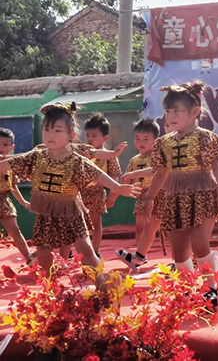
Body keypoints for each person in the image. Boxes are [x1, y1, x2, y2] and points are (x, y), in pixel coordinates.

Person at [0, 104, 138, 282]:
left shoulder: (76, 159)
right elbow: (10, 163)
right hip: (45, 212)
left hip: (71, 211)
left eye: (57, 130)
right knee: (42, 252)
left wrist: (117, 187)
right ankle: (51, 286)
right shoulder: (36, 156)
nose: (50, 135)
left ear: (71, 135)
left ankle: (101, 283)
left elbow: (97, 173)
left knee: (85, 249)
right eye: (46, 130)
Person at [141, 81, 218, 308]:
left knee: (200, 243)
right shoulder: (163, 143)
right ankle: (188, 290)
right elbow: (160, 173)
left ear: (195, 112)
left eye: (176, 111)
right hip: (175, 198)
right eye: (167, 111)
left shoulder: (208, 138)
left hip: (203, 193)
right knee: (179, 250)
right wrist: (150, 197)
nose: (170, 116)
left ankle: (210, 289)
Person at [116, 117, 165, 270]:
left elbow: (157, 173)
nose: (141, 142)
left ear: (155, 140)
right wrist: (117, 192)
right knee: (140, 227)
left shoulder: (159, 158)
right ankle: (140, 255)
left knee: (163, 227)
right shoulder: (134, 160)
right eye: (137, 139)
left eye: (146, 139)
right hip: (141, 195)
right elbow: (127, 179)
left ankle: (181, 258)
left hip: (159, 194)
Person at [80, 113, 122, 255]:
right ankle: (81, 252)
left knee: (96, 224)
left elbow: (114, 176)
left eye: (94, 135)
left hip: (97, 193)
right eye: (88, 135)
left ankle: (95, 252)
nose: (90, 139)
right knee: (80, 225)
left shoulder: (111, 155)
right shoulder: (81, 154)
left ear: (105, 138)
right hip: (79, 194)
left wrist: (112, 196)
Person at [0, 128, 34, 264]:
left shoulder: (11, 164)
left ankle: (29, 258)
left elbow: (12, 185)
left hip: (3, 200)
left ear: (11, 147)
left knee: (15, 230)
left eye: (5, 144)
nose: (1, 147)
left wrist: (23, 202)